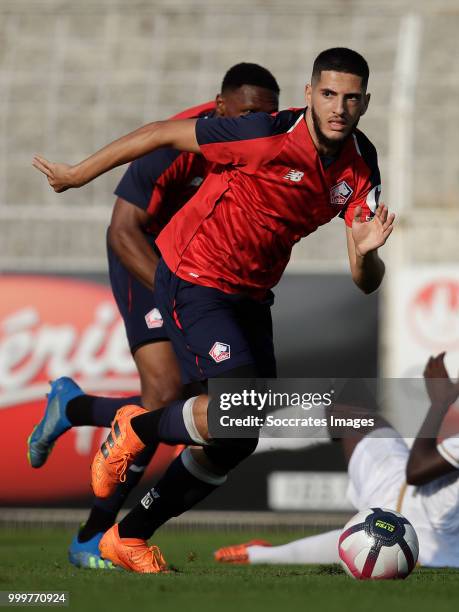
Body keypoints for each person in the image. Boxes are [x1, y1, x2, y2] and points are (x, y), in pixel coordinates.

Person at [33, 48, 395, 573]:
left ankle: (126, 537)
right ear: (309, 94)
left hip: (252, 294)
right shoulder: (264, 133)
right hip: (193, 275)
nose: (339, 107)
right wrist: (76, 174)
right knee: (234, 400)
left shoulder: (361, 164)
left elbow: (367, 283)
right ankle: (135, 430)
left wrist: (366, 253)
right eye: (329, 94)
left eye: (352, 97)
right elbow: (161, 132)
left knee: (237, 437)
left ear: (366, 102)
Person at [27, 63, 280, 570]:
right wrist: (175, 297)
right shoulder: (180, 145)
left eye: (267, 115)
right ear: (220, 106)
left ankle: (73, 408)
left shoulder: (264, 146)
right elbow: (124, 229)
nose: (258, 122)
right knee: (167, 394)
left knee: (228, 413)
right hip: (147, 260)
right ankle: (93, 537)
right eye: (249, 112)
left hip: (205, 275)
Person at [215, 353, 459, 568]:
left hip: (422, 522)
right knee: (352, 420)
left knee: (374, 535)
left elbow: (416, 471)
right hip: (414, 506)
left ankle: (260, 553)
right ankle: (233, 440)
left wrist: (438, 404)